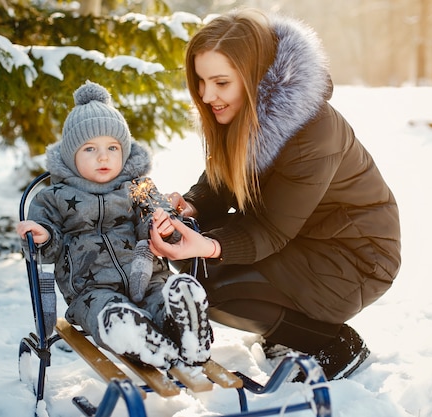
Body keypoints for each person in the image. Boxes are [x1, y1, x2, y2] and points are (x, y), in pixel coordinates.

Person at [149, 8, 401, 380]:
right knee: (194, 256)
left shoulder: (313, 134)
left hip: (355, 257)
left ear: (253, 77)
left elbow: (270, 231)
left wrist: (207, 246)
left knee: (212, 283)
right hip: (302, 237)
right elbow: (221, 182)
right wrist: (193, 206)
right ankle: (288, 326)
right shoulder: (241, 112)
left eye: (220, 82)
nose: (206, 95)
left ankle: (334, 343)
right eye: (200, 82)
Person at [17, 81, 213, 369]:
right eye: (89, 149)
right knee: (106, 313)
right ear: (71, 156)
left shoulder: (139, 188)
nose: (104, 156)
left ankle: (186, 327)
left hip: (148, 279)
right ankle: (131, 333)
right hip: (90, 292)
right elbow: (44, 252)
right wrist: (43, 236)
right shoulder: (53, 198)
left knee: (162, 297)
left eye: (112, 146)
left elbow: (162, 225)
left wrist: (164, 226)